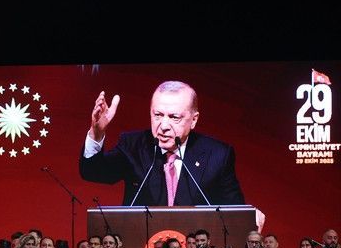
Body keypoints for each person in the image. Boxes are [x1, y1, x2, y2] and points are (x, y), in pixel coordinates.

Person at [79, 80, 244, 206]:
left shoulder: (217, 155)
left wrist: (249, 217)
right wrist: (96, 132)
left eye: (174, 117)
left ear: (194, 120)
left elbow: (235, 210)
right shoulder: (134, 145)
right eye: (157, 115)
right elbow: (92, 172)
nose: (163, 126)